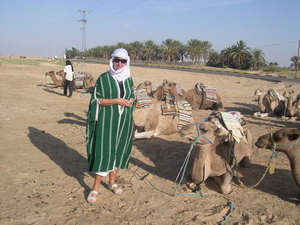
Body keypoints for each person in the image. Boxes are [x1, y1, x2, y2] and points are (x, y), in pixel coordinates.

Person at [85, 48, 135, 203]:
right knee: (105, 152)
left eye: (122, 61)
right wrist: (117, 101)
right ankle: (94, 188)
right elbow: (97, 100)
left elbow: (132, 96)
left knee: (119, 152)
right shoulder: (103, 78)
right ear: (112, 61)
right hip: (107, 121)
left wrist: (130, 102)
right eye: (116, 60)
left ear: (127, 62)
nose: (119, 64)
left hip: (124, 121)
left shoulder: (129, 79)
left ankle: (112, 182)